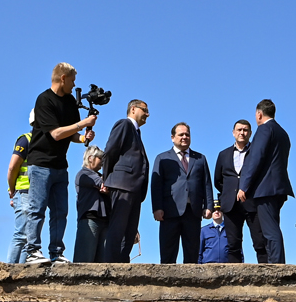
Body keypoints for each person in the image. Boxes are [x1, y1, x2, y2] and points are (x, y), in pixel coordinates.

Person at [23, 63, 97, 264]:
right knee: (37, 209)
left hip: (60, 166)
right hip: (40, 164)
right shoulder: (44, 100)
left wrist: (82, 138)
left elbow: (70, 133)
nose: (74, 85)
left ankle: (56, 252)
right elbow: (56, 133)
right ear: (63, 78)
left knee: (60, 212)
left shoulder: (71, 101)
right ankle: (32, 251)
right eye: (72, 80)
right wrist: (83, 124)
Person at [236, 99, 293, 263]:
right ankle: (276, 262)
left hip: (266, 189)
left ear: (259, 114)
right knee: (272, 225)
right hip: (278, 188)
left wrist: (244, 186)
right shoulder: (283, 133)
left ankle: (277, 265)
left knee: (269, 230)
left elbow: (256, 158)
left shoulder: (264, 129)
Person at [151, 122, 212, 264]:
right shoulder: (162, 158)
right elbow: (156, 185)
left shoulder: (200, 158)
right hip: (169, 211)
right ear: (173, 137)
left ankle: (191, 279)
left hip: (193, 212)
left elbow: (206, 184)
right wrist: (157, 208)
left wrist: (209, 206)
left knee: (192, 253)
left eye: (187, 134)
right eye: (181, 134)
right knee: (168, 253)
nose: (184, 137)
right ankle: (167, 279)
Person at [101, 99, 151, 263]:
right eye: (145, 110)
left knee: (130, 232)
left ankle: (123, 264)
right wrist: (107, 178)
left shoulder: (137, 132)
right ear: (133, 109)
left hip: (135, 189)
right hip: (122, 186)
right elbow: (110, 151)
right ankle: (111, 266)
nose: (147, 114)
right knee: (117, 229)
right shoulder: (124, 124)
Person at [214, 119, 267, 263]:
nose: (242, 133)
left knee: (260, 243)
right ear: (233, 133)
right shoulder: (223, 154)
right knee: (233, 244)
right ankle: (235, 275)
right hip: (230, 205)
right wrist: (229, 193)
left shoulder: (257, 152)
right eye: (239, 130)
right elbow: (218, 180)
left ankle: (265, 274)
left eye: (245, 130)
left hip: (252, 203)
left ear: (250, 133)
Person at [73, 146, 109, 263]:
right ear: (90, 158)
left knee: (102, 263)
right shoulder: (84, 174)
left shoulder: (97, 175)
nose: (102, 162)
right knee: (84, 260)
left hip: (104, 220)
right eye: (100, 158)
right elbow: (104, 185)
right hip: (90, 220)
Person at [4, 118, 33, 264]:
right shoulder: (26, 140)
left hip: (33, 193)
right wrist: (13, 190)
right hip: (24, 191)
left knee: (29, 236)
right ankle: (10, 268)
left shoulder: (39, 141)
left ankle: (21, 270)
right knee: (21, 234)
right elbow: (12, 167)